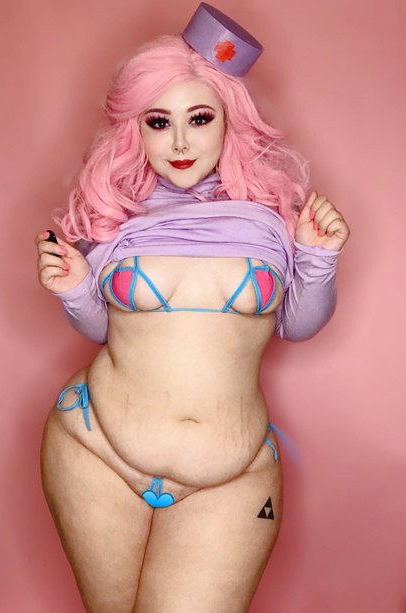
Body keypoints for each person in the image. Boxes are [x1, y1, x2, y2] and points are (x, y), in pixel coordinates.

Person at [36, 5, 350, 612]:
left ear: (230, 120)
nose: (180, 142)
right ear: (137, 130)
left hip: (232, 476)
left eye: (199, 118)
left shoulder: (271, 220)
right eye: (159, 122)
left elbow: (299, 325)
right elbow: (104, 332)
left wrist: (319, 258)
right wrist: (75, 288)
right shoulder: (115, 220)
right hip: (95, 449)